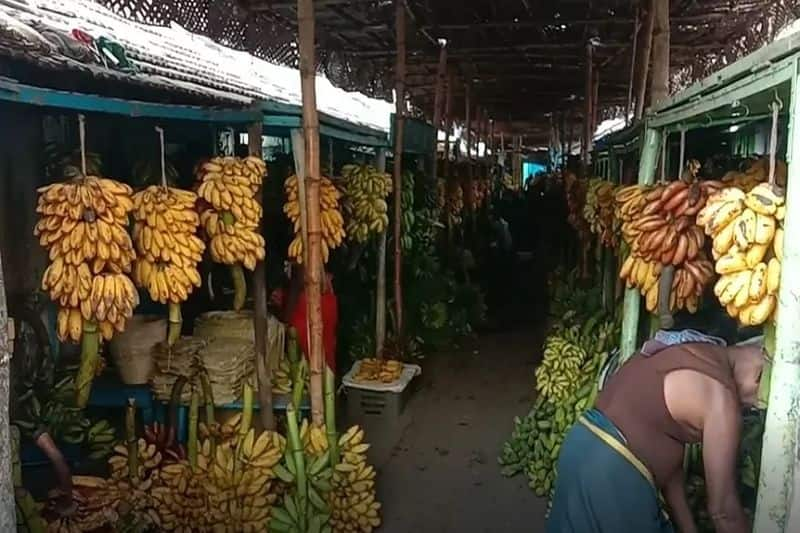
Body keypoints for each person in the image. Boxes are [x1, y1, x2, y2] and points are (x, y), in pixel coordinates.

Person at [546, 332, 765, 533]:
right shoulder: (720, 399)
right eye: (757, 401)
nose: (751, 406)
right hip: (612, 473)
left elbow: (668, 468)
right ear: (758, 377)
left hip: (580, 445)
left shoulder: (691, 351)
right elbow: (724, 512)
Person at [270, 264, 338, 372]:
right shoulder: (329, 296)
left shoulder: (302, 298)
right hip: (321, 366)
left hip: (310, 365)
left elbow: (288, 323)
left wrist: (293, 287)